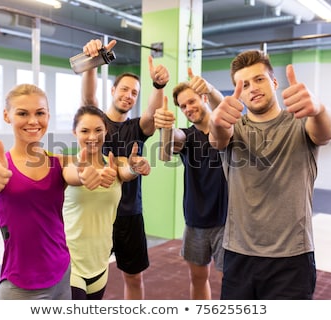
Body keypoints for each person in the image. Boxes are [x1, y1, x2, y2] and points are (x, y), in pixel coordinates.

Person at [208, 50, 331, 299]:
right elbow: (218, 138)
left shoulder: (300, 122)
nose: (252, 88)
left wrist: (319, 109)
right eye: (243, 85)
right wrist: (215, 122)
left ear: (274, 82)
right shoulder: (234, 127)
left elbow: (326, 132)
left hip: (292, 257)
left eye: (259, 79)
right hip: (239, 254)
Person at [80, 38, 169, 299]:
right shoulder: (98, 122)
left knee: (134, 278)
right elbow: (87, 97)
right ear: (113, 90)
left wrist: (159, 85)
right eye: (124, 89)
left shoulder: (138, 128)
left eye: (134, 93)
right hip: (97, 212)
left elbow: (152, 115)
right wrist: (93, 62)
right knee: (90, 278)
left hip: (129, 213)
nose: (128, 95)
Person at [0, 84, 73, 300]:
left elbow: (79, 171)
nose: (33, 121)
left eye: (40, 113)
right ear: (7, 116)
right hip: (20, 286)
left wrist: (89, 173)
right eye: (22, 113)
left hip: (63, 272)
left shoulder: (60, 162)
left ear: (48, 116)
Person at [153, 69, 228, 299]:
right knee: (197, 278)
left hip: (227, 220)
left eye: (192, 101)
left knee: (231, 280)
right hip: (195, 220)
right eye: (183, 106)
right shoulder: (187, 137)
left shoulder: (226, 130)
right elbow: (172, 142)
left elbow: (223, 109)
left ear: (204, 98)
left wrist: (210, 89)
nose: (188, 109)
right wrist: (165, 127)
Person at [62, 106, 151, 300]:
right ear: (74, 132)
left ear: (106, 131)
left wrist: (135, 168)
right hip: (70, 261)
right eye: (85, 131)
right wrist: (82, 175)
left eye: (98, 130)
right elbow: (72, 175)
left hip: (100, 261)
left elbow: (126, 172)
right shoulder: (68, 163)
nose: (92, 136)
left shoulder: (116, 163)